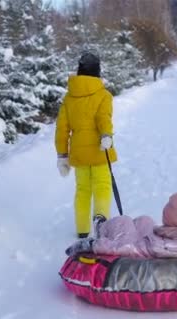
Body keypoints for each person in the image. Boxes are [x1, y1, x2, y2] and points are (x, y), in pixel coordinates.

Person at [55, 52, 117, 238]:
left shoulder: (69, 97)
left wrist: (62, 155)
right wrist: (106, 135)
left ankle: (82, 230)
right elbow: (103, 118)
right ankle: (102, 228)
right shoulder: (103, 95)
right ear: (97, 72)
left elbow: (62, 128)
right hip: (100, 151)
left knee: (82, 190)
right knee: (102, 187)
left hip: (79, 154)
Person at [65, 193, 177, 258]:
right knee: (145, 221)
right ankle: (115, 225)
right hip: (172, 242)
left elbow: (121, 248)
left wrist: (90, 244)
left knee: (124, 221)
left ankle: (101, 228)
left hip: (139, 255)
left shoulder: (153, 245)